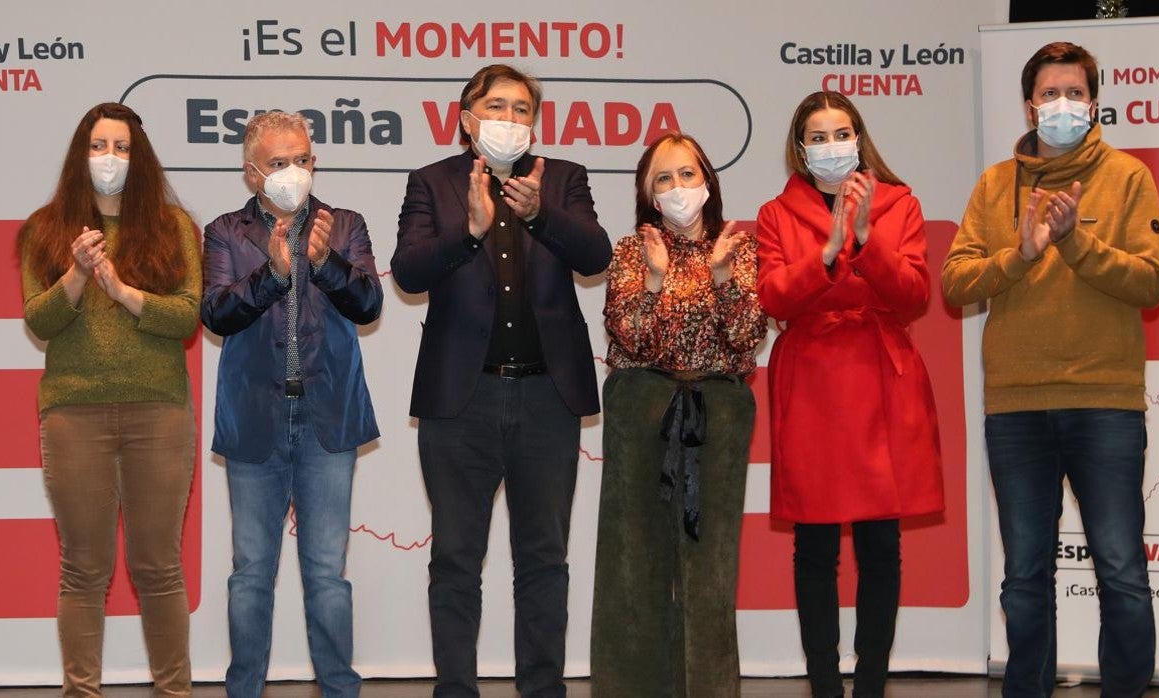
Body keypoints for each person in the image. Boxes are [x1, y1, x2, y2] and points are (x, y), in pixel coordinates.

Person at [942, 42, 1159, 698]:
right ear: (1029, 104)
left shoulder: (1128, 178)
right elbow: (956, 282)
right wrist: (1022, 254)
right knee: (1024, 580)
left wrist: (1076, 243)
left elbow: (1151, 283)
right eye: (1048, 94)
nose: (1060, 105)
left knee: (1122, 573)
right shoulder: (993, 184)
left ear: (1093, 104)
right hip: (1016, 409)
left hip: (1106, 404)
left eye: (1073, 93)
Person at [389, 64, 612, 697]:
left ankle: (543, 690)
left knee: (544, 562)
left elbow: (596, 255)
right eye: (497, 106)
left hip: (548, 396)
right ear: (466, 118)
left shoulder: (562, 180)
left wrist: (542, 215)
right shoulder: (432, 183)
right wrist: (471, 231)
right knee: (456, 560)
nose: (510, 119)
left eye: (522, 109)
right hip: (461, 401)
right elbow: (408, 271)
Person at [755, 91, 944, 698]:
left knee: (879, 545)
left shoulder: (899, 202)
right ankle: (823, 685)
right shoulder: (775, 214)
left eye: (843, 134)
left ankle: (870, 684)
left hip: (881, 381)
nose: (833, 146)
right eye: (819, 136)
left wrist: (867, 239)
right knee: (814, 545)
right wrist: (830, 254)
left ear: (860, 139)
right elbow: (775, 298)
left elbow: (914, 295)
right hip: (811, 382)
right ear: (800, 148)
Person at [18, 102, 200, 696]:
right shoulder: (44, 227)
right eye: (98, 147)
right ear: (80, 155)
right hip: (73, 416)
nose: (109, 159)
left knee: (159, 568)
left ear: (138, 158)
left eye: (121, 148)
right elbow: (39, 322)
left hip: (159, 411)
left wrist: (121, 290)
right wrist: (75, 274)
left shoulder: (173, 226)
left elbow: (187, 318)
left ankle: (173, 690)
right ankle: (81, 690)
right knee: (83, 569)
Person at [201, 110, 383, 698]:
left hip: (329, 418)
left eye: (303, 158)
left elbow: (368, 304)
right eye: (280, 163)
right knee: (251, 574)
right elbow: (217, 313)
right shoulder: (226, 231)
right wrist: (273, 277)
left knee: (327, 575)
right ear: (253, 172)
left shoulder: (345, 223)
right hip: (256, 419)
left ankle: (340, 690)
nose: (295, 171)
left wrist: (325, 262)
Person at [591, 133, 767, 697]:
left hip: (717, 413)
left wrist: (719, 277)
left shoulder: (739, 249)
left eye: (687, 174)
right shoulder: (629, 250)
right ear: (647, 191)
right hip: (641, 409)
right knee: (632, 564)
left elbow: (744, 339)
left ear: (707, 181)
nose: (677, 188)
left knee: (710, 568)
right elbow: (634, 338)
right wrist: (655, 277)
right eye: (663, 178)